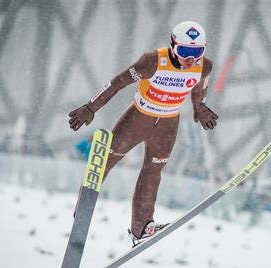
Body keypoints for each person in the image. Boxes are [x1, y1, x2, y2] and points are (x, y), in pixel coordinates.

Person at [68, 21, 218, 246]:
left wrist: (201, 108)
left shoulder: (204, 67)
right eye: (184, 51)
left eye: (196, 52)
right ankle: (84, 207)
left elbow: (199, 89)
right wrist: (91, 107)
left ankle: (142, 226)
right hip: (139, 118)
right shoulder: (153, 61)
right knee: (107, 159)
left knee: (154, 170)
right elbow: (117, 83)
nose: (190, 59)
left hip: (168, 123)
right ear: (173, 46)